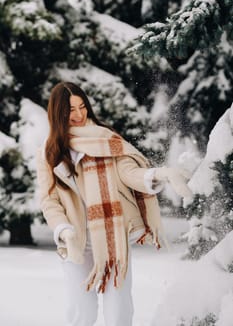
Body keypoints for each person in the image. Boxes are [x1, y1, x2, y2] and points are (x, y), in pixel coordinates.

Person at [36, 82, 192, 326]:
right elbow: (49, 199)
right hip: (76, 241)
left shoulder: (106, 140)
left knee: (119, 309)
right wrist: (63, 229)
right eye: (70, 110)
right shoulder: (50, 151)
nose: (78, 115)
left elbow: (128, 173)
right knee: (82, 312)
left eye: (82, 107)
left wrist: (159, 174)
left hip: (111, 238)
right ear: (58, 113)